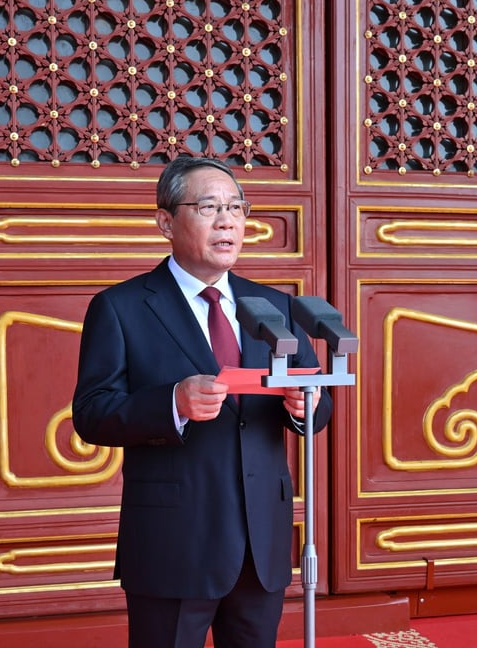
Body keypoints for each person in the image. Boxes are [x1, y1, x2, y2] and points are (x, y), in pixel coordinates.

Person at [72, 156, 332, 648]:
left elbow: (318, 404)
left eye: (236, 207)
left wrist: (305, 406)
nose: (228, 220)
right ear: (166, 222)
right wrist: (171, 402)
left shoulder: (275, 305)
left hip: (261, 539)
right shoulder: (121, 307)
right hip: (173, 539)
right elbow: (91, 413)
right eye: (209, 206)